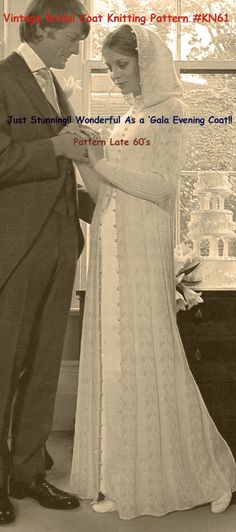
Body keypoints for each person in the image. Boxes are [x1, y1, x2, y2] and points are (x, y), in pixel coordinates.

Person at [70, 24, 236, 520]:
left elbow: (162, 186)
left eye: (123, 66)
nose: (116, 76)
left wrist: (97, 160)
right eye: (111, 67)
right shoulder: (133, 112)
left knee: (152, 355)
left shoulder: (171, 111)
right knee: (118, 358)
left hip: (143, 240)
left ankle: (208, 470)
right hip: (115, 238)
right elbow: (114, 181)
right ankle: (123, 475)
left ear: (146, 61)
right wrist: (91, 160)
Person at [0, 0, 95, 525]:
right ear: (40, 28)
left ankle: (27, 473)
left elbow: (64, 171)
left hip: (61, 247)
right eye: (71, 37)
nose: (77, 46)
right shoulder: (1, 78)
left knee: (42, 368)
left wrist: (106, 207)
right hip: (13, 250)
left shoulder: (57, 86)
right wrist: (59, 147)